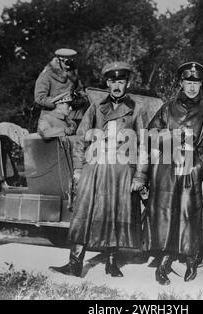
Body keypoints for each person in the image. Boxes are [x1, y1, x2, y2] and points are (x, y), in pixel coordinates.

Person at [49, 62, 147, 278]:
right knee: (84, 214)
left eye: (121, 82)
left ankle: (112, 264)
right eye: (113, 82)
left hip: (121, 171)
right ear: (107, 83)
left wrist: (140, 174)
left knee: (114, 215)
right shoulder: (95, 108)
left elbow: (143, 145)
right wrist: (78, 169)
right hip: (95, 169)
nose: (117, 86)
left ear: (127, 83)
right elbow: (81, 139)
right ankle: (75, 264)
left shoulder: (137, 109)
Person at [138, 62, 203, 285]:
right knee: (165, 214)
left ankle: (192, 259)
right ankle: (163, 262)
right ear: (181, 83)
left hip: (191, 165)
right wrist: (167, 137)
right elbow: (148, 135)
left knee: (189, 214)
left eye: (196, 83)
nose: (192, 87)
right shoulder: (167, 108)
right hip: (166, 166)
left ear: (200, 85)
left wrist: (199, 165)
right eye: (188, 82)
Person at [34, 48, 88, 125]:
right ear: (59, 60)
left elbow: (80, 91)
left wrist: (78, 99)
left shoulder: (73, 73)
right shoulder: (46, 74)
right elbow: (39, 97)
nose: (69, 66)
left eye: (71, 62)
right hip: (51, 117)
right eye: (67, 62)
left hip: (73, 116)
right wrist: (60, 104)